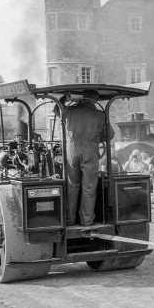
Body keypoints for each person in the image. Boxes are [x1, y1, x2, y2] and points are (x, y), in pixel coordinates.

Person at [64, 97, 113, 226]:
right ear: (94, 100)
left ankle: (69, 219)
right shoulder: (100, 115)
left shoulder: (70, 110)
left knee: (72, 186)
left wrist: (64, 98)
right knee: (89, 188)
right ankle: (87, 220)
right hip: (90, 151)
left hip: (72, 151)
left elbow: (56, 110)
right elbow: (110, 135)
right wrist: (97, 138)